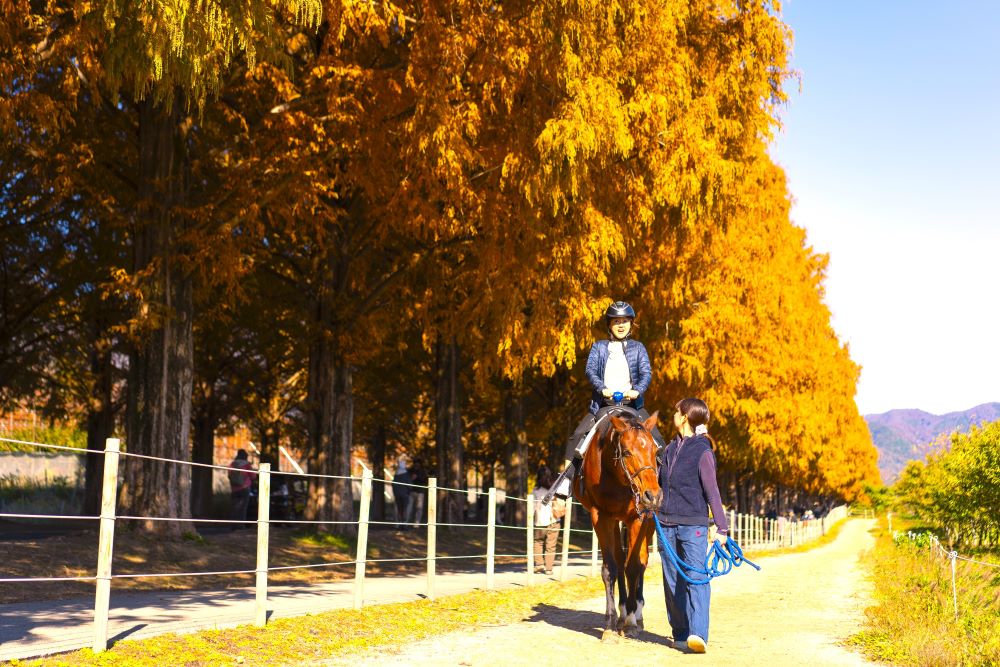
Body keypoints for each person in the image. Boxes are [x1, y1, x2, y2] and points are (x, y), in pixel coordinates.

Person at [545, 300, 666, 501]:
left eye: (625, 321)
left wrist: (637, 390)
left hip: (632, 405)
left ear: (631, 323)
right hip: (604, 405)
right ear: (609, 324)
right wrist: (603, 389)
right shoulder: (599, 347)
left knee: (658, 441)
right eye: (616, 321)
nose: (621, 325)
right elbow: (590, 370)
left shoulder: (638, 347)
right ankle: (566, 481)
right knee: (577, 436)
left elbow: (646, 372)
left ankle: (663, 483)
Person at [656, 397, 729, 654]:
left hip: (694, 525)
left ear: (685, 416)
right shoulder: (668, 449)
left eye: (677, 411)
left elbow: (713, 492)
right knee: (672, 580)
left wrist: (722, 528)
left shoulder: (702, 450)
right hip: (665, 524)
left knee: (696, 577)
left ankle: (698, 634)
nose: (673, 415)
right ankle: (680, 632)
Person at [531, 465, 564, 575]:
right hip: (554, 520)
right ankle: (549, 569)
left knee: (538, 542)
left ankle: (539, 564)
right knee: (551, 546)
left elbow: (532, 507)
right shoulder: (554, 489)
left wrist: (530, 519)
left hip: (540, 521)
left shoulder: (535, 490)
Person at [227, 449, 256, 527]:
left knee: (234, 508)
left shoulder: (232, 464)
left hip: (234, 489)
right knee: (243, 508)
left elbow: (229, 475)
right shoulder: (247, 465)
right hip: (245, 488)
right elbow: (253, 476)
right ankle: (241, 525)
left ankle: (233, 525)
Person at [405, 459, 428, 526]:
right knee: (409, 508)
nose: (416, 465)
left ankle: (417, 523)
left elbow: (425, 480)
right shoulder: (410, 470)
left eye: (418, 463)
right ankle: (406, 521)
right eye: (415, 463)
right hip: (411, 491)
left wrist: (418, 477)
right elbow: (407, 480)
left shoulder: (423, 471)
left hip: (420, 492)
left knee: (419, 508)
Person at [392, 457, 411, 529]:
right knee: (405, 509)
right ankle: (404, 524)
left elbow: (393, 484)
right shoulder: (406, 474)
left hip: (397, 494)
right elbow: (409, 485)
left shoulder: (396, 474)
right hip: (405, 494)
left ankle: (399, 524)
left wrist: (395, 493)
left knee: (399, 509)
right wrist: (408, 492)